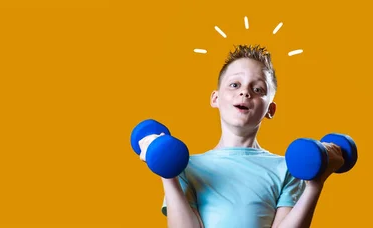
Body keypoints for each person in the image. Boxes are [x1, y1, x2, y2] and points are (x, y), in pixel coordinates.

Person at [137, 45, 345, 228]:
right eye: (235, 85)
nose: (245, 92)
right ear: (215, 98)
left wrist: (316, 183)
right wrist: (167, 173)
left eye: (258, 89)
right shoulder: (184, 166)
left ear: (270, 109)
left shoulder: (287, 168)